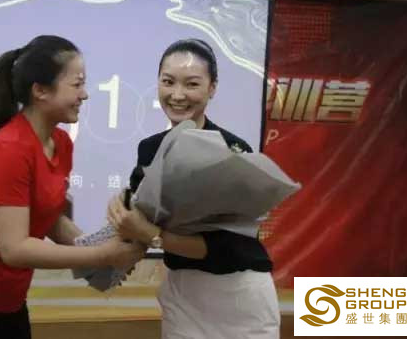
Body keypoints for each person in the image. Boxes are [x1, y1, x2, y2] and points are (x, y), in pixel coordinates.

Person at [0, 35, 145, 339]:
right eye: (77, 84)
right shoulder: (9, 149)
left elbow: (50, 218)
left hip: (10, 304)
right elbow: (15, 249)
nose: (85, 95)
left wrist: (99, 249)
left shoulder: (61, 143)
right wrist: (103, 256)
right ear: (40, 90)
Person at [108, 38, 280, 339]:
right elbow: (137, 220)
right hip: (183, 292)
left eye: (192, 84)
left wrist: (151, 234)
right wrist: (121, 219)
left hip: (238, 292)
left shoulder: (233, 150)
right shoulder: (149, 149)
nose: (177, 95)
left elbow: (225, 246)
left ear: (212, 88)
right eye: (168, 82)